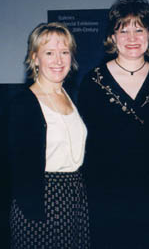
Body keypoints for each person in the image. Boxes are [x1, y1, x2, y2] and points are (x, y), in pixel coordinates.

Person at [77, 0, 149, 248]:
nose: (132, 38)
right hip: (104, 196)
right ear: (112, 37)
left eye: (139, 29)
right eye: (123, 30)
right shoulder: (93, 81)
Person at [8, 22, 90, 248]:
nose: (58, 60)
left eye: (64, 52)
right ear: (35, 58)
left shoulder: (70, 97)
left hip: (75, 197)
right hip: (41, 201)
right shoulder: (23, 104)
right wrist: (33, 208)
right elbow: (13, 166)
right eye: (49, 53)